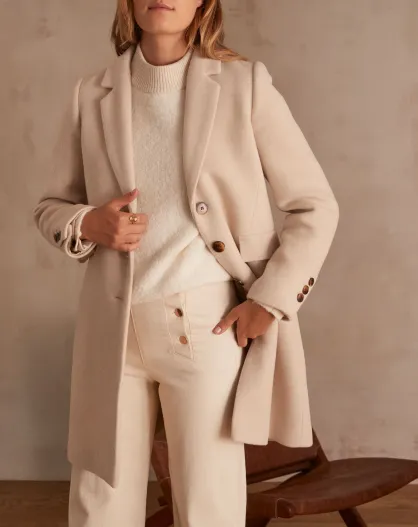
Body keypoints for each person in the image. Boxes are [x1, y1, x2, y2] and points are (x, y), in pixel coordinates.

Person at [32, 0, 340, 526]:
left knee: (207, 505)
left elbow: (315, 205)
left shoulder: (244, 85)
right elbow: (51, 207)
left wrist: (270, 301)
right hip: (113, 327)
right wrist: (89, 223)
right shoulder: (91, 92)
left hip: (204, 323)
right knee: (98, 504)